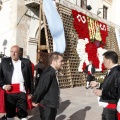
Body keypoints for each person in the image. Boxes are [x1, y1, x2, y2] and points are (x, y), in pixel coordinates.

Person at [0, 45, 34, 120]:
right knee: (10, 114)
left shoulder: (26, 62)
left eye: (15, 52)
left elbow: (30, 78)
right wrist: (4, 86)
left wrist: (31, 92)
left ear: (19, 53)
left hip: (21, 91)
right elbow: (0, 77)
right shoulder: (4, 62)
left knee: (23, 113)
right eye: (11, 51)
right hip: (9, 92)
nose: (13, 54)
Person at [32, 52, 64, 120]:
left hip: (51, 105)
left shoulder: (52, 72)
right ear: (54, 62)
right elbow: (41, 88)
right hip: (47, 106)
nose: (62, 63)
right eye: (61, 61)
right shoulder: (48, 73)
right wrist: (35, 100)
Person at [90, 50, 120, 120]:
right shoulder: (112, 71)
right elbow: (111, 85)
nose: (103, 62)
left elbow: (117, 93)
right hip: (107, 106)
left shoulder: (117, 72)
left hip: (112, 108)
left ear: (109, 60)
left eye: (104, 60)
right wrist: (98, 84)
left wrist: (102, 93)